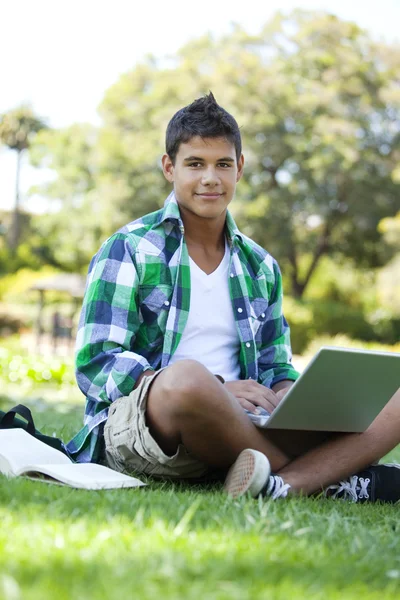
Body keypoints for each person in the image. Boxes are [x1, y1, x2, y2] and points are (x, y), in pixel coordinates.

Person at [67, 92, 400, 503]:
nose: (210, 178)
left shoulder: (261, 265)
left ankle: (280, 486)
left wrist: (288, 396)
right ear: (169, 167)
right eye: (195, 164)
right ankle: (332, 476)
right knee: (188, 377)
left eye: (223, 164)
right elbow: (97, 363)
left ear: (239, 168)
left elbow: (277, 365)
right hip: (154, 423)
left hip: (249, 424)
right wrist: (219, 389)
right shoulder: (130, 247)